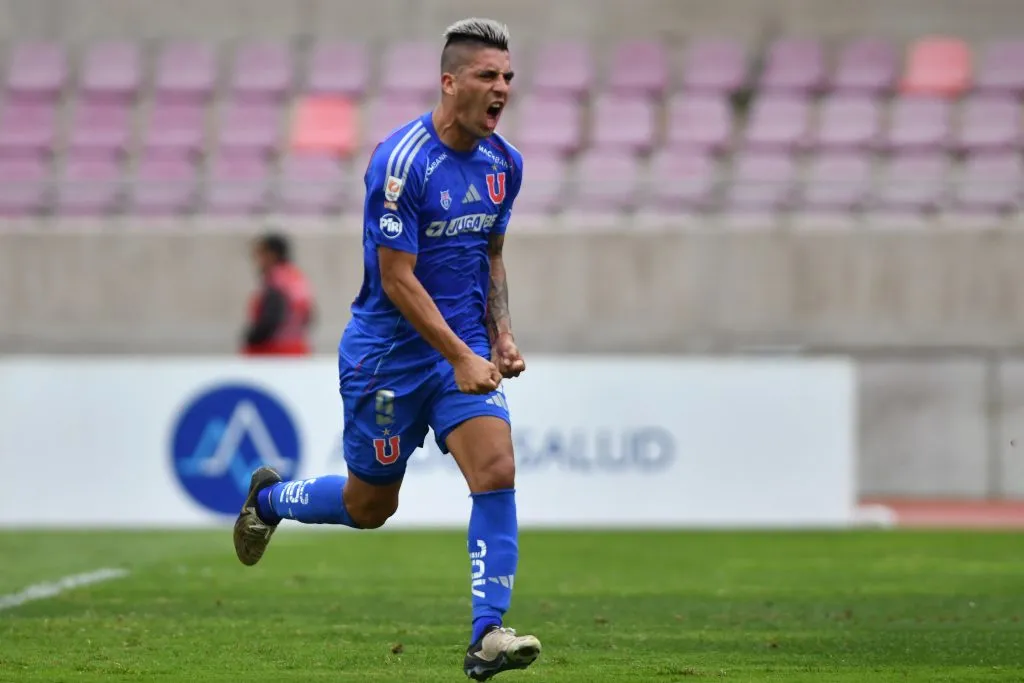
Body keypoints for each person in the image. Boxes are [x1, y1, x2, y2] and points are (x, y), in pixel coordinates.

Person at [232, 18, 540, 680]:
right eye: (488, 75)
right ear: (450, 81)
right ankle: (268, 501)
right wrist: (463, 352)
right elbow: (397, 278)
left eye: (509, 76)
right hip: (386, 361)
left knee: (497, 472)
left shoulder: (504, 165)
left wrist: (503, 333)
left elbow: (491, 255)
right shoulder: (401, 163)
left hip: (459, 354)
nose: (502, 88)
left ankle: (488, 634)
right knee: (370, 506)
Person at [241, 232, 314, 356]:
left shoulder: (276, 282)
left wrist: (250, 339)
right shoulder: (297, 278)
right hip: (297, 350)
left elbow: (271, 320)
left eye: (260, 254)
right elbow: (309, 317)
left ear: (272, 254)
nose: (257, 260)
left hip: (273, 354)